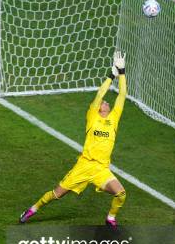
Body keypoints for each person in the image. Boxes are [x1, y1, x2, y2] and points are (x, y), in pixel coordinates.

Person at [20, 51, 128, 229]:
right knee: (57, 193)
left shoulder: (114, 119)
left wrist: (122, 71)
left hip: (101, 169)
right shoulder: (93, 116)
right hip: (84, 165)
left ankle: (110, 218)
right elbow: (100, 94)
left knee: (121, 194)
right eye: (103, 103)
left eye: (107, 103)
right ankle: (33, 209)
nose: (106, 102)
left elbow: (122, 95)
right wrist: (111, 76)